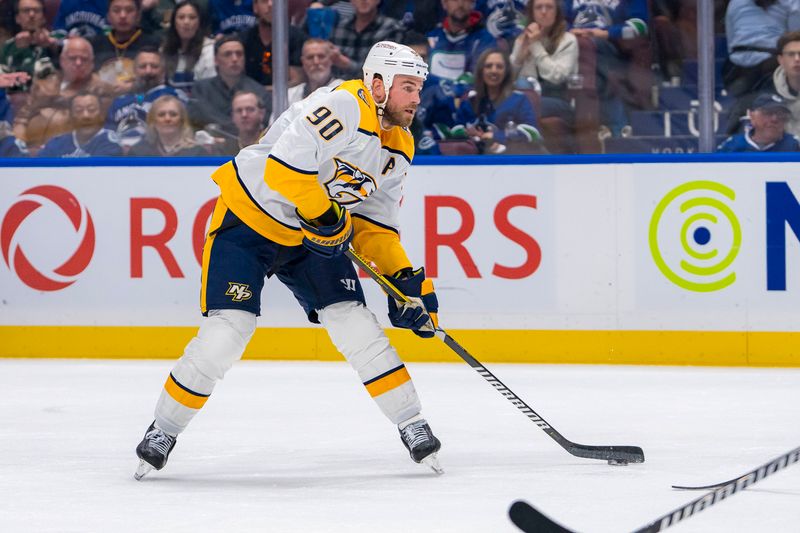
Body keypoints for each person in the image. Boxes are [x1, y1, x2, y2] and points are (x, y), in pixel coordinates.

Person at [134, 40, 443, 480]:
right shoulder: (344, 104)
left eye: (419, 88)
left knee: (354, 321)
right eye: (408, 87)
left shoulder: (400, 146)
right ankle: (163, 428)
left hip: (309, 238)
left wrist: (406, 281)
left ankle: (412, 422)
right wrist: (325, 216)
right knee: (228, 330)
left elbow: (375, 223)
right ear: (378, 84)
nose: (416, 98)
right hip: (249, 222)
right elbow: (283, 168)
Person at [455, 48, 542, 154]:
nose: (494, 70)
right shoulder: (469, 100)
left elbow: (532, 133)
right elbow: (455, 130)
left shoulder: (519, 99)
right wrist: (470, 135)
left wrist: (497, 137)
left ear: (506, 72)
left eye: (499, 67)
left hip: (510, 161)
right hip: (473, 161)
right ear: (481, 71)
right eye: (488, 66)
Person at [510, 0, 577, 124]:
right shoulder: (522, 39)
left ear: (557, 12)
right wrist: (519, 58)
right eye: (539, 7)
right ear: (532, 12)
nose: (544, 12)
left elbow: (557, 76)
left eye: (549, 7)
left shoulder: (568, 40)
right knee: (520, 89)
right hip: (526, 95)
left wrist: (535, 45)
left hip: (558, 99)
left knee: (521, 103)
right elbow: (508, 80)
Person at [188, 35, 270, 134]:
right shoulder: (201, 89)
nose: (235, 59)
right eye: (227, 54)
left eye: (239, 54)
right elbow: (196, 118)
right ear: (216, 60)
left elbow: (265, 122)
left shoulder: (259, 91)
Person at [105, 47, 186, 147]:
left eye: (154, 66)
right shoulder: (119, 101)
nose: (148, 71)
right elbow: (107, 136)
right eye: (143, 66)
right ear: (134, 71)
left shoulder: (174, 97)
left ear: (163, 71)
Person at [91, 0, 162, 93]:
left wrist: (134, 87)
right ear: (108, 16)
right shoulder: (95, 44)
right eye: (116, 11)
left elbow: (160, 79)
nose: (123, 16)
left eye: (129, 10)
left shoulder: (154, 44)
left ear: (138, 15)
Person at [268, 38, 344, 124]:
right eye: (310, 57)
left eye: (321, 56)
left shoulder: (343, 90)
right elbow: (274, 129)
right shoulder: (289, 95)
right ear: (303, 62)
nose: (316, 62)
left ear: (331, 60)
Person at [329, 0, 405, 80]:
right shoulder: (340, 27)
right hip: (336, 87)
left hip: (372, 89)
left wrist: (346, 63)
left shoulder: (392, 29)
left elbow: (382, 73)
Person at [426, 0, 497, 82]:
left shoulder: (485, 41)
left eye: (466, 0)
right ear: (444, 3)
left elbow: (482, 81)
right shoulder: (430, 38)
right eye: (455, 0)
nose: (460, 4)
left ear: (473, 4)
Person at [242, 0, 306, 87]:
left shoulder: (298, 38)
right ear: (255, 7)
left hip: (290, 97)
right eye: (264, 1)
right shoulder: (244, 39)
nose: (270, 5)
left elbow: (298, 81)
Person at [37, 92, 122, 156]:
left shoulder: (109, 141)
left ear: (101, 115)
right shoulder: (56, 143)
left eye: (91, 110)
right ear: (70, 116)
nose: (86, 116)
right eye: (79, 110)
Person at [161, 0, 216, 94]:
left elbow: (210, 92)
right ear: (174, 23)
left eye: (192, 17)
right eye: (181, 17)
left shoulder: (210, 50)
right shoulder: (164, 50)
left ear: (200, 22)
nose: (186, 22)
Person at [0, 0, 59, 84]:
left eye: (37, 11)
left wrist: (52, 46)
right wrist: (17, 50)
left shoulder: (56, 39)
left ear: (44, 18)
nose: (31, 15)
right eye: (26, 11)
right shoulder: (9, 46)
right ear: (17, 18)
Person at [718, 92, 800, 152]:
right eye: (768, 112)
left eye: (780, 114)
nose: (774, 119)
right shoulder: (732, 145)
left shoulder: (795, 145)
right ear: (752, 116)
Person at [129, 94, 207, 156]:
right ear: (153, 120)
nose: (167, 119)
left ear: (182, 120)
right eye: (161, 115)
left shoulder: (198, 152)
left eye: (173, 114)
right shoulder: (138, 152)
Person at [759, 31, 800, 137]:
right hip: (781, 151)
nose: (797, 59)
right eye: (791, 54)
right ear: (781, 60)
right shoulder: (765, 92)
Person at [216, 90, 267, 154]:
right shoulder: (225, 148)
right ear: (233, 116)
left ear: (261, 113)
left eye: (249, 109)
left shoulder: (271, 143)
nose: (244, 115)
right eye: (239, 110)